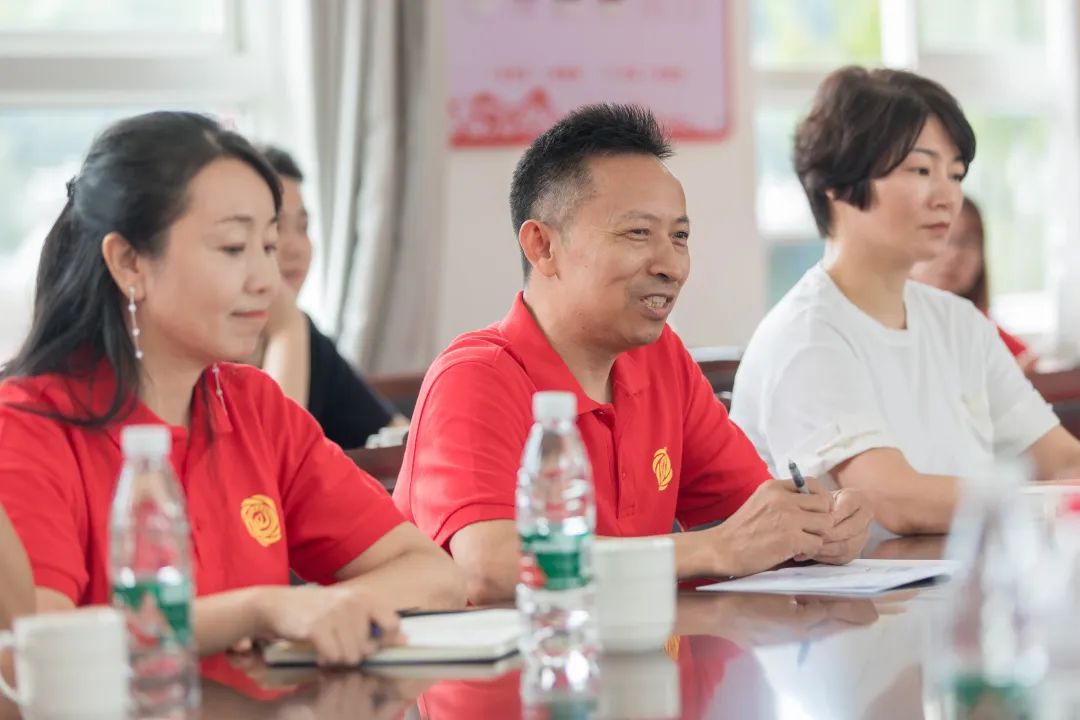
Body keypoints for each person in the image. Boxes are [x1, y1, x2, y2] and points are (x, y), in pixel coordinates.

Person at [0, 111, 465, 666]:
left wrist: (317, 612)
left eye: (267, 246)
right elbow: (39, 645)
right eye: (232, 248)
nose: (266, 280)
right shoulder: (28, 425)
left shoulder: (254, 405)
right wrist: (256, 612)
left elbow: (433, 575)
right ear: (129, 262)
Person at [392, 104, 871, 604]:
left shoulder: (660, 359)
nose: (670, 266)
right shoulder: (475, 376)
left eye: (679, 237)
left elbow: (752, 517)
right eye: (638, 233)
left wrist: (817, 526)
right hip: (518, 653)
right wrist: (712, 550)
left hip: (638, 646)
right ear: (542, 246)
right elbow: (490, 567)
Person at [730, 67, 1080, 537]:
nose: (948, 197)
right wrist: (1047, 501)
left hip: (960, 575)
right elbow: (893, 499)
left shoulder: (958, 323)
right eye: (921, 170)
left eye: (955, 174)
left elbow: (1062, 459)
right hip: (856, 586)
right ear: (837, 182)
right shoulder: (806, 335)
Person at [250, 145, 408, 449]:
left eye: (303, 228)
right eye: (276, 228)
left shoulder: (310, 339)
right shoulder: (214, 349)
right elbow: (272, 461)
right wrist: (287, 325)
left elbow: (395, 433)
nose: (295, 247)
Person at [910, 196, 1038, 373]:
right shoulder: (889, 325)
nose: (954, 253)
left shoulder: (978, 324)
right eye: (938, 238)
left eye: (967, 242)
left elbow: (1026, 361)